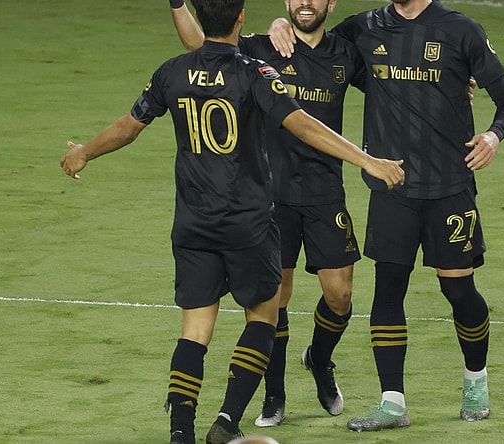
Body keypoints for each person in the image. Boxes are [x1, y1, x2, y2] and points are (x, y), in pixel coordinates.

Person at [61, 2, 404, 444]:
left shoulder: (172, 71)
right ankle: (228, 420)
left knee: (195, 333)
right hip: (249, 223)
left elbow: (129, 128)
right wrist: (368, 160)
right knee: (263, 316)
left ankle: (180, 433)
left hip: (193, 225)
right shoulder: (254, 73)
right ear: (241, 18)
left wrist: (83, 152)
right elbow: (301, 124)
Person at [269, 0, 504, 431]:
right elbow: (315, 39)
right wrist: (279, 24)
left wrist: (494, 136)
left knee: (459, 290)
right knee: (388, 292)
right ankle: (392, 402)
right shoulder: (365, 27)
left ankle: (475, 378)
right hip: (392, 184)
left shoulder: (461, 31)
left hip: (450, 185)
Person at [168, 0, 366, 428]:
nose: (304, 3)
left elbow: (393, 86)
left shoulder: (347, 53)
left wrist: (458, 84)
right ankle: (273, 396)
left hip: (323, 192)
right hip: (269, 198)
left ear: (332, 3)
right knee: (273, 302)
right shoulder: (262, 48)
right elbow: (200, 45)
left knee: (341, 295)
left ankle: (320, 359)